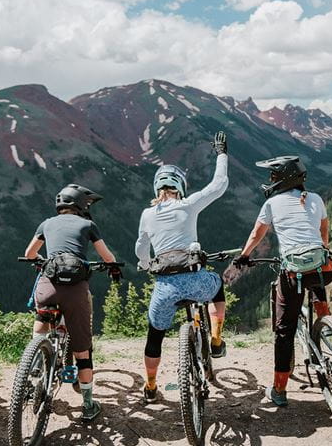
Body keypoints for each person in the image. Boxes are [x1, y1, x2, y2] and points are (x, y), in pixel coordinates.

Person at [135, 132, 229, 404]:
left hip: (164, 287)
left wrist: (144, 264)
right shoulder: (188, 205)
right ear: (181, 187)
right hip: (195, 281)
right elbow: (219, 183)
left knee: (155, 336)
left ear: (156, 189)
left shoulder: (146, 214)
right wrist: (221, 152)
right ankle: (215, 339)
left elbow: (141, 248)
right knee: (218, 285)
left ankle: (151, 386)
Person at [234, 155, 332, 407]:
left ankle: (279, 390)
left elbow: (257, 234)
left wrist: (244, 256)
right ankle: (324, 318)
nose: (270, 180)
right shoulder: (316, 198)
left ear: (284, 179)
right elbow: (324, 233)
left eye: (273, 176)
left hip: (293, 272)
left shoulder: (272, 203)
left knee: (284, 330)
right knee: (316, 274)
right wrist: (321, 248)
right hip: (324, 267)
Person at [23, 184, 121, 421]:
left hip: (48, 286)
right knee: (82, 350)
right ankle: (88, 405)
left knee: (42, 318)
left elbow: (29, 254)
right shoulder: (88, 225)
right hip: (75, 291)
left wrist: (42, 261)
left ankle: (34, 361)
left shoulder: (46, 223)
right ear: (80, 205)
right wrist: (113, 268)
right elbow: (106, 256)